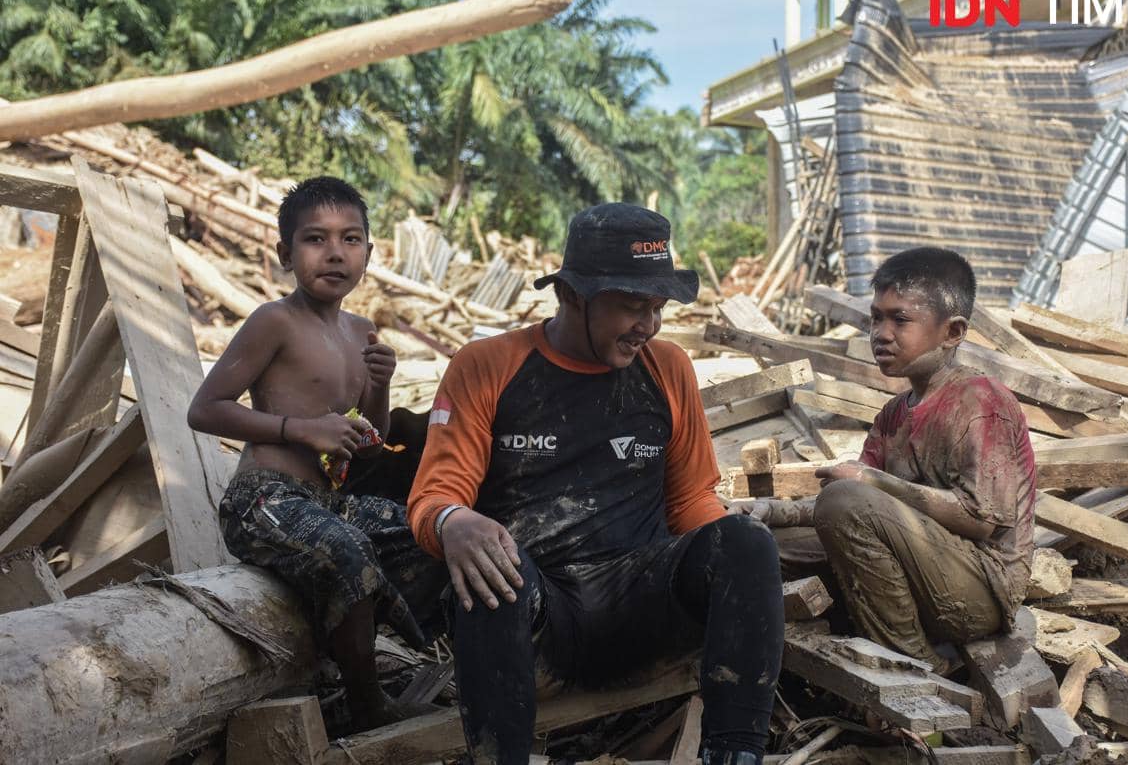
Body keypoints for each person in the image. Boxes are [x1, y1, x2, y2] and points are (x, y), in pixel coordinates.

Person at [407, 203, 785, 765]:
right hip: (535, 626)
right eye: (632, 307)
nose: (648, 326)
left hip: (642, 608)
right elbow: (434, 497)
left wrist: (741, 569)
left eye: (657, 308)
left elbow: (689, 502)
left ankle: (734, 754)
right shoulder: (488, 365)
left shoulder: (668, 368)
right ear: (572, 296)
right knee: (492, 565)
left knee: (748, 542)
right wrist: (452, 521)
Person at [188, 176, 440, 732]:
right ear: (284, 253)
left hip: (329, 500)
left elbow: (367, 438)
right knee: (349, 551)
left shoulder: (361, 331)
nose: (334, 253)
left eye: (350, 239)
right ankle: (367, 705)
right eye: (315, 239)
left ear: (369, 255)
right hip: (266, 500)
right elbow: (204, 409)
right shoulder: (274, 321)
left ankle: (383, 651)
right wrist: (301, 429)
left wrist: (380, 383)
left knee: (424, 533)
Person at [810, 247, 1036, 673]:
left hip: (980, 590)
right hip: (921, 572)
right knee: (767, 543)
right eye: (876, 318)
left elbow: (980, 518)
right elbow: (857, 506)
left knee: (842, 502)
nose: (881, 332)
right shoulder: (893, 413)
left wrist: (874, 481)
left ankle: (917, 666)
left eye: (900, 319)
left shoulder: (982, 402)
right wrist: (765, 514)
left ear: (952, 332)